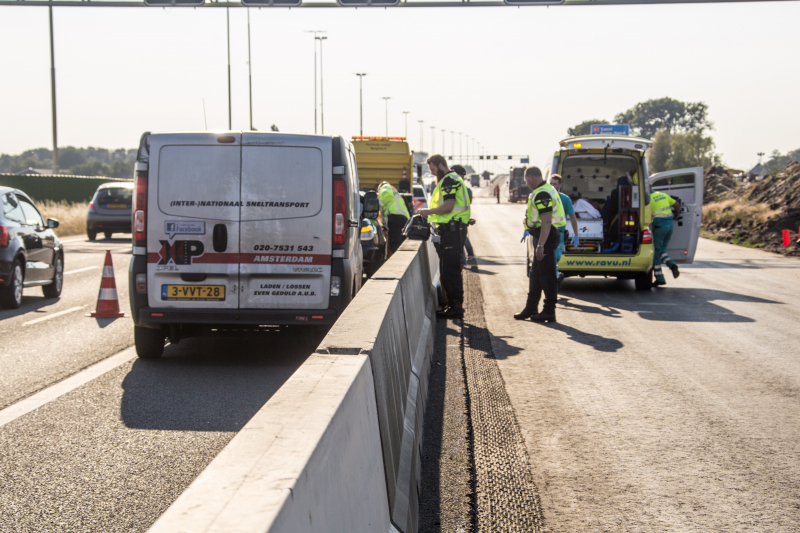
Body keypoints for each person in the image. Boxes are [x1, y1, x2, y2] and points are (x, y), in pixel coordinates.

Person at [417, 155, 471, 319]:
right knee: (447, 269)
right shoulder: (450, 179)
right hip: (451, 230)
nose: (433, 173)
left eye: (433, 170)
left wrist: (427, 212)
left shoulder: (449, 180)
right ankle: (453, 306)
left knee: (451, 270)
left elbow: (448, 206)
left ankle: (456, 308)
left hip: (453, 231)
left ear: (441, 165)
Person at [514, 166, 565, 323]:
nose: (526, 183)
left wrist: (541, 245)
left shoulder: (542, 193)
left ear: (530, 177)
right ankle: (531, 308)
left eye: (525, 180)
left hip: (546, 238)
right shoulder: (543, 190)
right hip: (543, 236)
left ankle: (549, 311)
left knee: (547, 276)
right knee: (535, 274)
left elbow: (547, 221)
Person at [549, 174, 580, 288]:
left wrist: (576, 235)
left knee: (555, 259)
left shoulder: (565, 199)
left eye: (555, 184)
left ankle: (554, 284)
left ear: (560, 185)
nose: (552, 186)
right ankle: (555, 279)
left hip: (559, 234)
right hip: (545, 233)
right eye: (551, 183)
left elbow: (572, 217)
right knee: (546, 261)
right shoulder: (544, 197)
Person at [650, 190, 682, 287]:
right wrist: (677, 215)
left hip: (660, 226)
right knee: (662, 249)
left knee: (656, 252)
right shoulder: (663, 195)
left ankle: (660, 278)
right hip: (669, 225)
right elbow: (677, 205)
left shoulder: (648, 198)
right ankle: (672, 265)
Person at [450, 165, 476, 265]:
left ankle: (469, 255)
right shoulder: (466, 189)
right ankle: (469, 255)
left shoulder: (459, 188)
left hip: (458, 220)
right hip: (462, 218)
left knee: (462, 240)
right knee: (463, 239)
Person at [377, 181, 411, 254]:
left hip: (395, 219)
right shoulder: (395, 194)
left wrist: (377, 204)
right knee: (402, 243)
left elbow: (388, 195)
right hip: (403, 219)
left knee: (395, 244)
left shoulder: (385, 186)